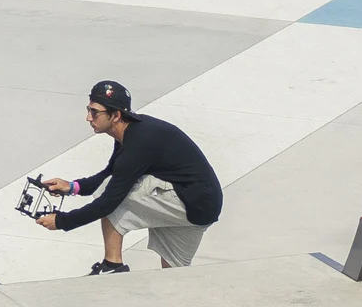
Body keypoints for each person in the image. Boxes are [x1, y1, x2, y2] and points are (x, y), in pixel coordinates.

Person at [32, 81, 223, 274]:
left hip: (188, 201)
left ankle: (112, 266)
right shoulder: (130, 132)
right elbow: (113, 172)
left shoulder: (139, 143)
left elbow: (108, 202)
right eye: (89, 110)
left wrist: (62, 221)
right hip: (201, 206)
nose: (88, 117)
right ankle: (113, 267)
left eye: (95, 112)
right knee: (172, 280)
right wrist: (72, 187)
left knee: (110, 193)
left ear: (115, 115)